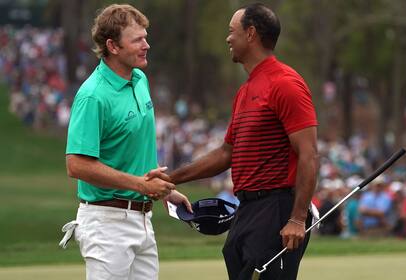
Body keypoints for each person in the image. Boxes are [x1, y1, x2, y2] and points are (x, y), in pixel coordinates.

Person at [151, 3, 318, 279]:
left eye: (232, 31)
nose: (228, 38)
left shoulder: (286, 83)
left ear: (250, 33)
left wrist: (298, 218)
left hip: (277, 210)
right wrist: (172, 179)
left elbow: (309, 154)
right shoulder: (246, 91)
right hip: (248, 210)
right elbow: (226, 153)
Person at [62, 4, 191, 280]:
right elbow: (76, 165)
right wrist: (141, 186)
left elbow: (133, 149)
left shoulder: (139, 79)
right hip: (107, 224)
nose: (146, 45)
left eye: (145, 37)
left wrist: (164, 191)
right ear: (113, 46)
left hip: (143, 220)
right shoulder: (93, 96)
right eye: (137, 40)